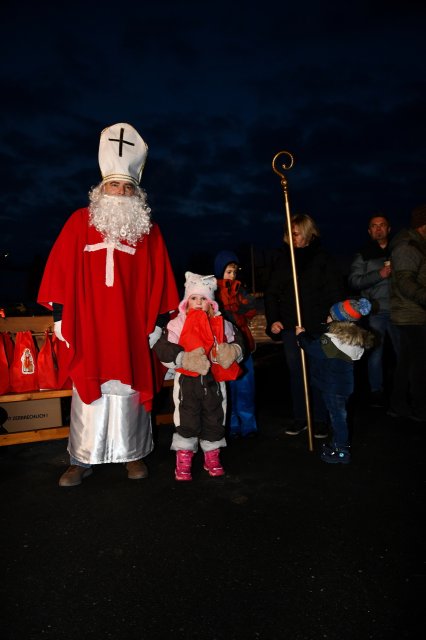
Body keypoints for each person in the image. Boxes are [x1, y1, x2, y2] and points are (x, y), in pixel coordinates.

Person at [37, 123, 179, 487]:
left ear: (137, 194)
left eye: (128, 186)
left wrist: (158, 323)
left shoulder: (149, 232)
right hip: (88, 323)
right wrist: (60, 316)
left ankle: (132, 455)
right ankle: (80, 458)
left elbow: (161, 279)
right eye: (114, 185)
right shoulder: (78, 223)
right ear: (101, 189)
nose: (120, 191)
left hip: (133, 325)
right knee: (89, 385)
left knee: (128, 388)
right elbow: (60, 272)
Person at [153, 272, 245, 481]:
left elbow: (237, 341)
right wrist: (183, 358)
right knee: (187, 418)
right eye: (193, 298)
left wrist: (233, 351)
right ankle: (184, 457)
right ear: (186, 301)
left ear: (211, 303)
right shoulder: (177, 324)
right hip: (187, 382)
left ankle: (212, 456)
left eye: (203, 299)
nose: (198, 302)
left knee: (215, 417)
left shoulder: (222, 324)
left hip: (214, 382)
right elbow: (163, 349)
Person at [264, 213, 345, 438]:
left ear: (308, 232)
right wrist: (274, 320)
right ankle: (301, 416)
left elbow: (334, 290)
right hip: (292, 326)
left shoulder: (322, 259)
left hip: (318, 326)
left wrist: (333, 316)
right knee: (296, 372)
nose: (292, 238)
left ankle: (319, 419)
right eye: (289, 233)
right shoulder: (283, 260)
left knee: (318, 371)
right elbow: (271, 293)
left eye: (296, 233)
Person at [296, 298, 374, 463]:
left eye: (330, 316)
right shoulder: (353, 340)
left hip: (332, 386)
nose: (327, 318)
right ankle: (337, 444)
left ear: (338, 321)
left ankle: (341, 450)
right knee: (339, 415)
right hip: (345, 386)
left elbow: (311, 348)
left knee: (338, 418)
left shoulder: (331, 340)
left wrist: (301, 335)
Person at [348, 214, 400, 407]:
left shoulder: (398, 250)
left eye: (382, 225)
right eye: (374, 226)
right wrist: (380, 274)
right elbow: (354, 281)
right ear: (369, 231)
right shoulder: (363, 254)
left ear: (389, 228)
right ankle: (376, 391)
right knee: (375, 353)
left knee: (403, 351)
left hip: (399, 308)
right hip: (376, 310)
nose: (378, 229)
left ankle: (404, 389)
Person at [213, 250, 258, 438]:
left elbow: (251, 308)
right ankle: (230, 424)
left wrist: (243, 307)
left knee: (246, 387)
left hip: (244, 346)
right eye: (228, 272)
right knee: (228, 388)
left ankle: (248, 425)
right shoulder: (213, 291)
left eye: (234, 272)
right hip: (225, 346)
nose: (232, 275)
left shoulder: (239, 289)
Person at [388, 204, 426, 422]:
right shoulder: (407, 247)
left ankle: (398, 404)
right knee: (417, 365)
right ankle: (418, 407)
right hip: (410, 315)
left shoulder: (417, 246)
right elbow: (405, 283)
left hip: (415, 313)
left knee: (408, 362)